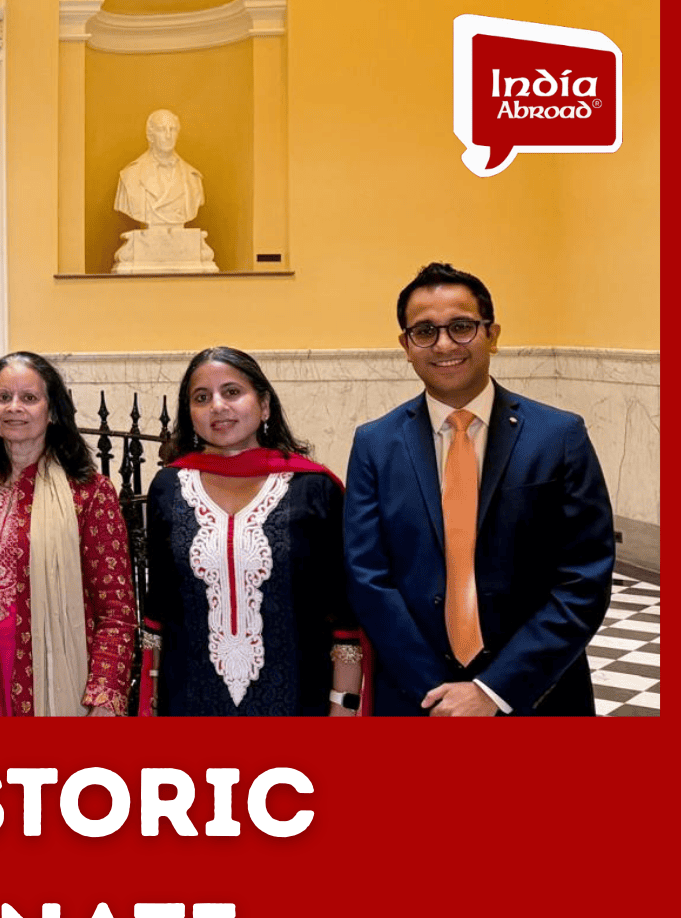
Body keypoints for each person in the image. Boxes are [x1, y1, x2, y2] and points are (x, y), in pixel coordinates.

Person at [346, 262, 614, 716]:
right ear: (406, 346)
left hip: (538, 694)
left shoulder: (559, 435)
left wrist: (492, 691)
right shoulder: (375, 444)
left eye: (462, 327)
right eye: (425, 331)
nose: (445, 343)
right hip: (417, 700)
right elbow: (368, 579)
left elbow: (585, 576)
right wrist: (440, 695)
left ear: (492, 334)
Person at [143, 347, 363, 716]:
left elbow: (343, 616)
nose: (217, 405)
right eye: (202, 397)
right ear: (190, 414)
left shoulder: (314, 488)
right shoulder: (169, 487)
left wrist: (342, 707)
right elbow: (160, 611)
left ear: (264, 406)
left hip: (297, 701)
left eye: (231, 392)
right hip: (189, 702)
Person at [0, 353, 135, 716]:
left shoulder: (89, 493)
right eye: (3, 398)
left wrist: (105, 696)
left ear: (52, 411)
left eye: (29, 398)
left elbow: (117, 610)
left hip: (59, 682)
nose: (14, 408)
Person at [114, 109, 205, 227]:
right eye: (161, 130)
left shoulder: (192, 178)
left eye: (172, 129)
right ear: (150, 135)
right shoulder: (130, 175)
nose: (168, 135)